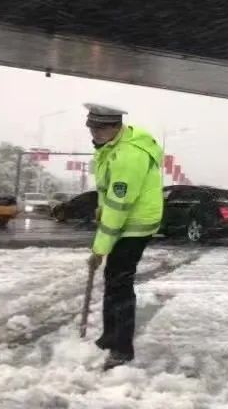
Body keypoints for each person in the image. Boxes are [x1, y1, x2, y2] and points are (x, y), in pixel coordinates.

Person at [84, 103, 164, 370]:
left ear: (116, 127)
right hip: (125, 218)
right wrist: (100, 208)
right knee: (113, 279)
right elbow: (106, 192)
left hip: (134, 223)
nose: (94, 132)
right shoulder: (112, 148)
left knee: (120, 282)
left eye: (100, 128)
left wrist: (99, 249)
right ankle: (110, 336)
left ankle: (122, 348)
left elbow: (119, 206)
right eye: (91, 126)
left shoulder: (129, 156)